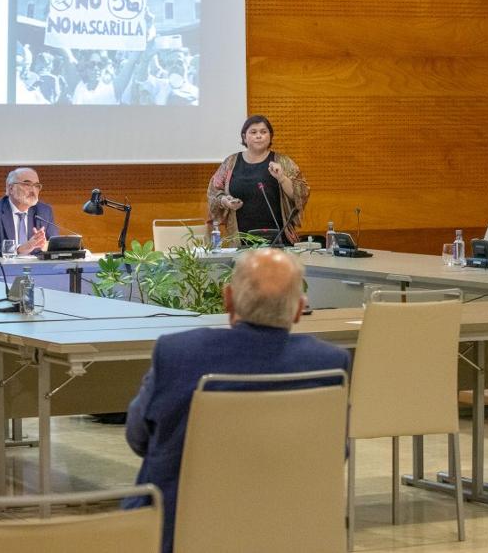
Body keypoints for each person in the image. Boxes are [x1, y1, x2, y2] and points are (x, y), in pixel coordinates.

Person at [125, 248, 349, 552]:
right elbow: (335, 452)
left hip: (178, 532)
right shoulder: (329, 364)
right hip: (288, 531)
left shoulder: (179, 353)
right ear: (299, 309)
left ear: (228, 299)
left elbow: (138, 437)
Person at [207, 115, 309, 244]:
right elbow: (214, 192)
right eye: (253, 132)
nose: (259, 136)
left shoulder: (283, 162)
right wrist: (225, 201)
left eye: (263, 132)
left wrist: (282, 178)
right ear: (244, 137)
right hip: (241, 238)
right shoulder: (230, 162)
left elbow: (301, 194)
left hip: (278, 238)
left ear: (270, 136)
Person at [0, 167, 57, 255]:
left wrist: (44, 245)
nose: (33, 190)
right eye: (27, 184)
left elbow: (54, 247)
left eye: (36, 186)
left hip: (36, 263)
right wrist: (20, 249)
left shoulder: (44, 211)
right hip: (6, 263)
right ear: (10, 188)